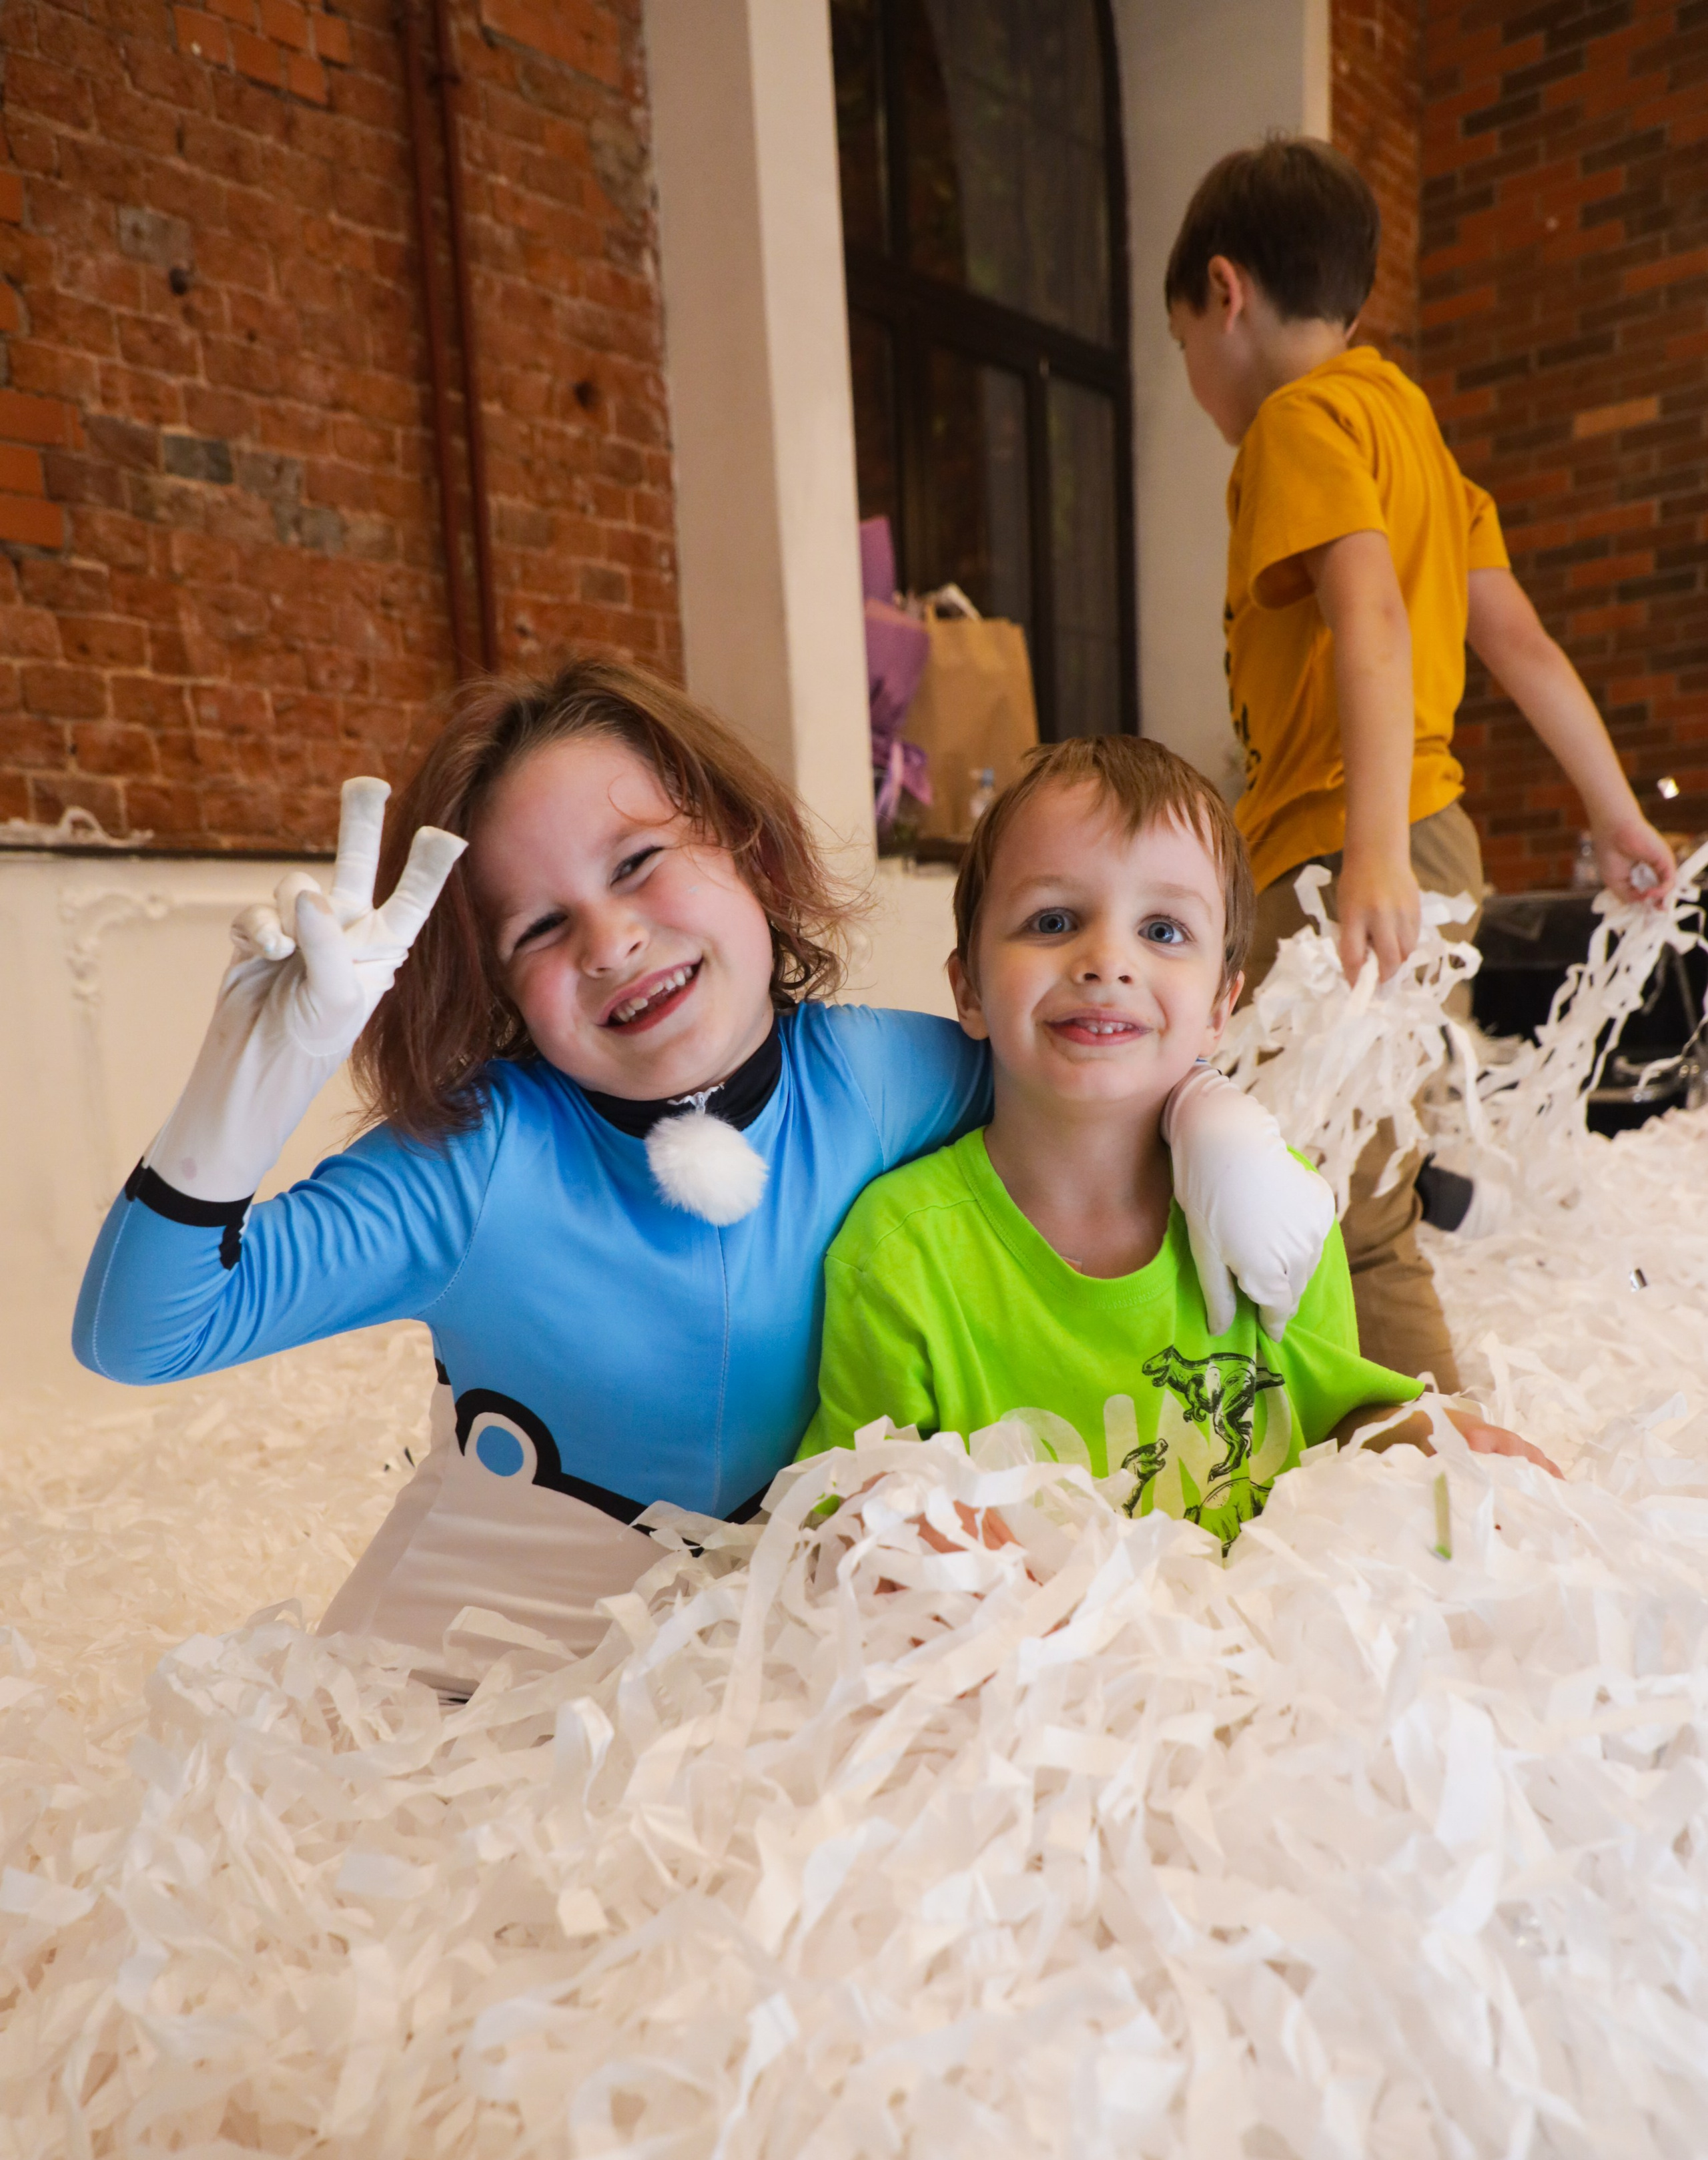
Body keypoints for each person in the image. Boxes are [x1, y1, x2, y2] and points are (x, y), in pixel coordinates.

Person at [72, 660, 1333, 1692]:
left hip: (736, 1697)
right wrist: (254, 1079)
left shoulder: (884, 1076)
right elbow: (142, 1336)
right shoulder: (469, 1167)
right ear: (500, 989)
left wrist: (1216, 1118)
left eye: (639, 866)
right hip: (461, 1694)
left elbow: (1085, 1062)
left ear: (748, 854)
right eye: (540, 928)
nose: (615, 940)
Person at [1164, 137, 1679, 1387]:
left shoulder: (1299, 421)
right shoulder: (1418, 438)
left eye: (1182, 343)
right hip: (1428, 842)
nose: (1194, 378)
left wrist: (1374, 853)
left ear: (1225, 294)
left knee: (1343, 1186)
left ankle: (1414, 1435)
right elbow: (1525, 643)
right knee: (1335, 1147)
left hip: (1353, 850)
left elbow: (1372, 619)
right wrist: (1617, 817)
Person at [800, 737, 1555, 1528]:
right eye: (1053, 920)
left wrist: (1430, 1446)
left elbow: (1338, 1422)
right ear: (970, 990)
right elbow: (837, 1509)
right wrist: (907, 1526)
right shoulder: (898, 1253)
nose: (1106, 960)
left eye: (1162, 931)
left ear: (1221, 1008)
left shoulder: (1277, 1210)